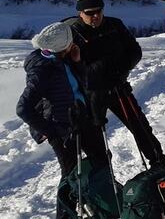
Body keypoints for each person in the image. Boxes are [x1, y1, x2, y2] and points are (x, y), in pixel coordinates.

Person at [63, 0, 165, 166]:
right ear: (80, 12)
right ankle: (104, 180)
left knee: (141, 127)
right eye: (90, 13)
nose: (95, 16)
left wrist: (121, 67)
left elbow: (135, 51)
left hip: (118, 86)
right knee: (96, 140)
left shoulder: (115, 25)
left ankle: (160, 163)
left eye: (99, 11)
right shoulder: (72, 34)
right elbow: (74, 70)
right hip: (92, 95)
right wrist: (103, 67)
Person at [17, 22, 108, 218]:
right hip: (63, 129)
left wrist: (76, 62)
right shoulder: (43, 69)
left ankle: (100, 203)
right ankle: (65, 215)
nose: (74, 42)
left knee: (101, 160)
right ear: (61, 44)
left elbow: (79, 86)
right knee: (70, 175)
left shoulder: (62, 59)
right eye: (70, 40)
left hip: (81, 119)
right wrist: (51, 131)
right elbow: (23, 108)